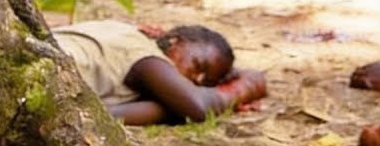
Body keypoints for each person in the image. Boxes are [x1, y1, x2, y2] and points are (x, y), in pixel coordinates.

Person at [53, 20, 267, 125]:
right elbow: (199, 107)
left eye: (205, 82)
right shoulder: (145, 56)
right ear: (174, 41)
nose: (197, 79)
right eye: (198, 65)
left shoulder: (117, 30)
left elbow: (99, 116)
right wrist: (246, 86)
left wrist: (170, 105)